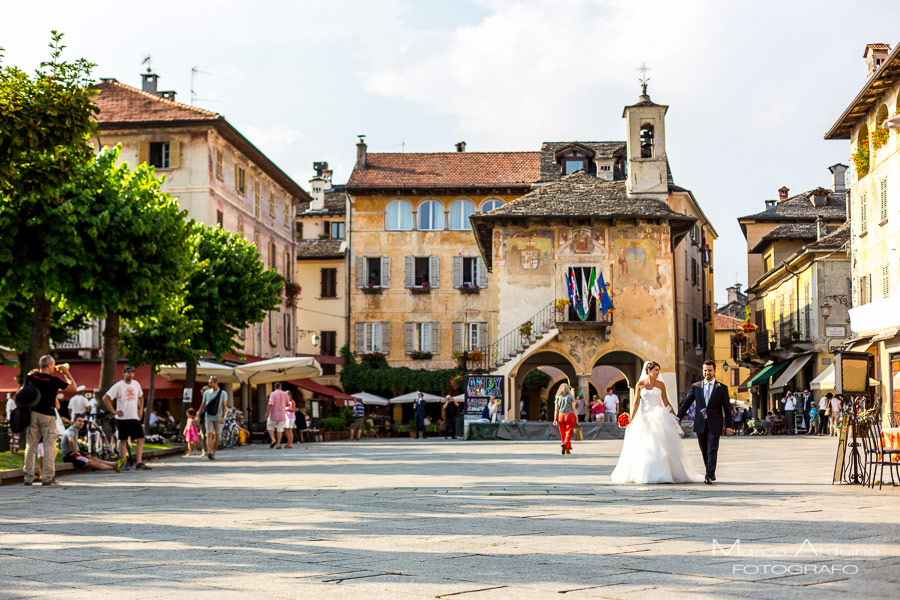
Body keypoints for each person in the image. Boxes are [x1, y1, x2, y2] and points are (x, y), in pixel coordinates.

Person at [612, 362, 703, 484]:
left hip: (659, 415)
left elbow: (666, 403)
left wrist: (676, 418)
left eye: (658, 370)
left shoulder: (661, 385)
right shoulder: (640, 384)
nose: (658, 373)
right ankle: (645, 473)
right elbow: (636, 403)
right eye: (655, 370)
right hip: (644, 417)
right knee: (644, 446)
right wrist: (631, 419)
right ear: (648, 371)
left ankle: (663, 474)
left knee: (660, 445)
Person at [676, 360, 734, 485]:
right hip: (700, 423)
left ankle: (708, 475)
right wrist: (678, 418)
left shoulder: (722, 388)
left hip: (715, 423)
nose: (707, 372)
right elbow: (686, 403)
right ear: (703, 371)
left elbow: (727, 408)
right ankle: (711, 472)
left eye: (710, 370)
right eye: (705, 370)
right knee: (704, 449)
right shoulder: (696, 386)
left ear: (714, 371)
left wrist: (729, 426)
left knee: (712, 449)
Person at [24, 355, 77, 486]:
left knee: (30, 446)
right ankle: (47, 477)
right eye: (53, 365)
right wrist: (66, 372)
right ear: (49, 365)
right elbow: (73, 388)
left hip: (32, 414)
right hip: (48, 414)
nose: (54, 367)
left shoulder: (30, 378)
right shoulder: (53, 380)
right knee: (49, 446)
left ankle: (28, 477)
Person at [104, 365, 152, 471]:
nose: (130, 375)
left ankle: (139, 462)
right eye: (128, 373)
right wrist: (113, 411)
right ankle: (123, 462)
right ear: (124, 373)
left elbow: (141, 397)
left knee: (141, 438)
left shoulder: (136, 384)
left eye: (132, 373)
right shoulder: (119, 386)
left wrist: (140, 410)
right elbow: (105, 397)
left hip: (134, 416)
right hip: (123, 417)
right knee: (123, 440)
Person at [199, 376, 228, 459]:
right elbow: (202, 405)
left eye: (211, 382)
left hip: (218, 417)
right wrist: (198, 415)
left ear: (216, 383)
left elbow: (224, 406)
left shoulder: (223, 393)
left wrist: (223, 416)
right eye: (209, 382)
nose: (209, 384)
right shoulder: (206, 393)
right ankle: (209, 451)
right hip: (208, 416)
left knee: (217, 436)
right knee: (209, 434)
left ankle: (214, 451)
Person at [553, 383, 577, 455]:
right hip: (569, 415)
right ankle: (565, 443)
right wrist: (577, 418)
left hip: (561, 416)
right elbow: (573, 408)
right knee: (569, 432)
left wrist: (555, 419)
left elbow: (556, 409)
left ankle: (567, 449)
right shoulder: (571, 396)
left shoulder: (558, 397)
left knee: (563, 433)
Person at [265, 382, 290, 449]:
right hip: (282, 414)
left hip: (273, 414)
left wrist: (267, 412)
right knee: (280, 429)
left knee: (270, 426)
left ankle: (273, 439)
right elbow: (288, 404)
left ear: (274, 387)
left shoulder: (272, 394)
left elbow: (270, 404)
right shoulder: (285, 394)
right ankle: (278, 445)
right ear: (281, 387)